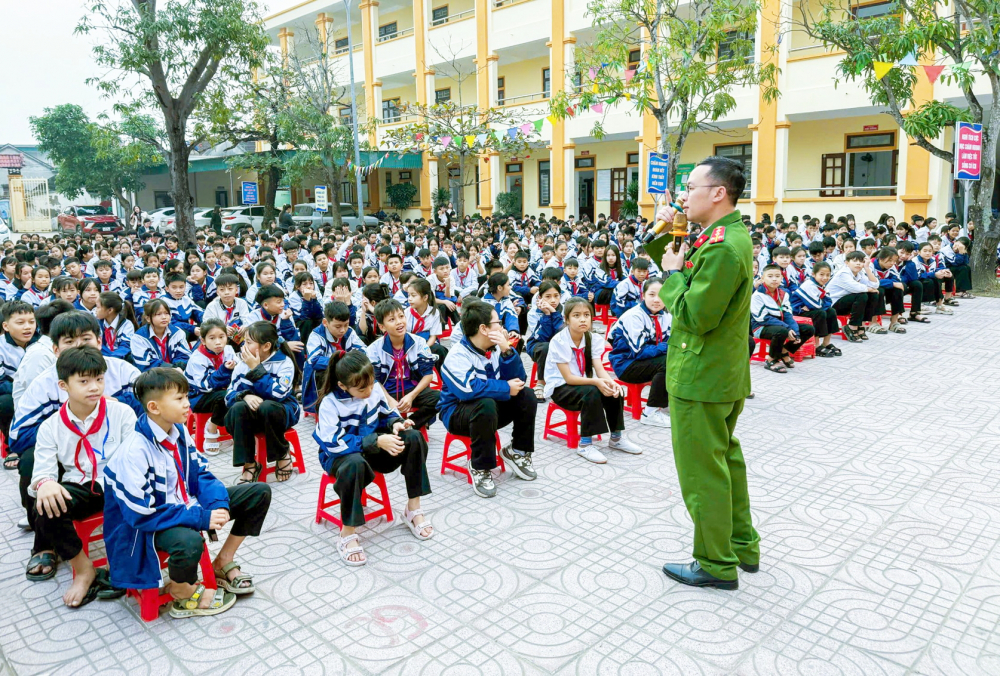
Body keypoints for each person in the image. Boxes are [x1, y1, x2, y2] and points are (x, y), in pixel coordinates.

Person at [656, 156, 759, 590]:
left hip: (701, 374)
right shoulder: (726, 234)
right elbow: (674, 260)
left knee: (703, 473)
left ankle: (716, 563)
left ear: (718, 192)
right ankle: (741, 543)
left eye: (691, 187)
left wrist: (673, 277)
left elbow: (696, 315)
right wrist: (668, 234)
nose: (684, 194)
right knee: (725, 460)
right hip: (720, 371)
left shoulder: (721, 247)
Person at [103, 368, 271, 618]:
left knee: (258, 493)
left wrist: (218, 504)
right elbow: (141, 514)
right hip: (146, 526)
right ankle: (181, 590)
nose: (187, 404)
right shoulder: (134, 452)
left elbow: (201, 473)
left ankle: (223, 560)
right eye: (179, 398)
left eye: (186, 396)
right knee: (190, 542)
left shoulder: (178, 431)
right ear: (154, 407)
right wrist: (200, 518)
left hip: (180, 507)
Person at [27, 347, 136, 605]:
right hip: (82, 485)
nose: (94, 387)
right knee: (44, 506)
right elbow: (43, 468)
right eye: (84, 381)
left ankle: (125, 561)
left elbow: (136, 458)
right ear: (64, 385)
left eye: (99, 379)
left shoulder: (121, 413)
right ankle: (84, 569)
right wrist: (45, 483)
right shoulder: (51, 426)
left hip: (120, 483)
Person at [314, 350, 433, 565]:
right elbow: (333, 443)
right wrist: (376, 441)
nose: (370, 391)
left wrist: (395, 424)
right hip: (340, 457)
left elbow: (387, 412)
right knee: (355, 463)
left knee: (414, 438)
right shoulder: (330, 404)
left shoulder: (374, 389)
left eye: (371, 384)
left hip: (370, 451)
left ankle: (412, 509)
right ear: (343, 386)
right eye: (362, 388)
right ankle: (347, 533)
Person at [438, 301, 538, 498]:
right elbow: (468, 390)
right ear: (483, 328)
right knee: (485, 403)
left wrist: (508, 351)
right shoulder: (457, 355)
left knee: (526, 395)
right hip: (457, 413)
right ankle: (480, 467)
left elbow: (518, 381)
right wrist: (505, 388)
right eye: (497, 322)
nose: (501, 327)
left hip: (488, 411)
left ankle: (517, 451)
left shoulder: (496, 347)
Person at [546, 297, 641, 463]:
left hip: (581, 384)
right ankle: (585, 444)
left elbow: (599, 369)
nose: (583, 319)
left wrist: (610, 383)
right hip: (561, 388)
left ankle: (616, 438)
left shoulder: (593, 339)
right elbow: (568, 378)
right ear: (566, 319)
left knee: (614, 390)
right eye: (576, 315)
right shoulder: (559, 341)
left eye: (586, 315)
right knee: (592, 391)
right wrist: (597, 382)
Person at [224, 321, 301, 484]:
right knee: (237, 408)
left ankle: (281, 453)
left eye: (249, 342)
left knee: (266, 406)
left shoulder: (284, 362)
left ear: (266, 346)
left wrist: (256, 369)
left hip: (280, 413)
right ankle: (250, 464)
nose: (244, 345)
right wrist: (244, 396)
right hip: (252, 417)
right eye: (244, 341)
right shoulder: (242, 362)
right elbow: (229, 395)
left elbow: (278, 394)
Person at [365, 299, 439, 432]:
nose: (399, 322)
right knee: (368, 405)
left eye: (401, 316)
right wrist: (389, 400)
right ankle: (391, 425)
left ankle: (411, 424)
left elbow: (428, 375)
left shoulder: (419, 342)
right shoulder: (374, 349)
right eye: (392, 319)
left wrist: (412, 396)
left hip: (411, 388)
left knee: (440, 398)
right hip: (387, 392)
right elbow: (374, 380)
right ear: (382, 327)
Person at [608, 278, 672, 427]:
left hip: (647, 361)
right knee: (667, 361)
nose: (657, 300)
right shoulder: (634, 316)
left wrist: (668, 347)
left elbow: (672, 341)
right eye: (652, 295)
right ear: (643, 295)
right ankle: (650, 412)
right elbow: (639, 352)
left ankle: (669, 402)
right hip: (626, 364)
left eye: (661, 295)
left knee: (678, 358)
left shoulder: (666, 316)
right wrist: (665, 347)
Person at [751, 264, 816, 373]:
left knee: (808, 329)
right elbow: (763, 318)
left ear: (781, 278)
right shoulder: (757, 295)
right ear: (762, 278)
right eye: (770, 276)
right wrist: (787, 328)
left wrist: (795, 332)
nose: (774, 279)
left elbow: (787, 315)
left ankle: (784, 351)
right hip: (760, 327)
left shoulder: (783, 294)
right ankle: (771, 359)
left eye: (777, 276)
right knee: (782, 331)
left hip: (780, 325)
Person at [303, 301, 366, 413]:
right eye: (338, 326)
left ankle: (353, 404)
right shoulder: (316, 336)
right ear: (325, 322)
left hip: (345, 370)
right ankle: (327, 409)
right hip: (324, 374)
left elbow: (363, 350)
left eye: (346, 325)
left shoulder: (349, 332)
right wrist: (342, 361)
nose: (342, 330)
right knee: (322, 372)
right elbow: (314, 360)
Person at [185, 318, 237, 455]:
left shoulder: (229, 350)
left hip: (221, 391)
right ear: (203, 340)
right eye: (212, 338)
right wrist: (225, 371)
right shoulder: (197, 359)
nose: (218, 342)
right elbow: (206, 386)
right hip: (198, 397)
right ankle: (211, 429)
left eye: (222, 337)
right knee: (226, 397)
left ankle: (235, 429)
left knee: (241, 393)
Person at [0, 301, 39, 440]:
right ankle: (12, 442)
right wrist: (23, 391)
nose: (27, 327)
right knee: (4, 403)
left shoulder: (42, 343)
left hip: (40, 389)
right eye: (20, 323)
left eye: (31, 322)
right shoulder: (1, 346)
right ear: (6, 326)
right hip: (11, 391)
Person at [789, 262, 842, 357]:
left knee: (831, 311)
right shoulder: (809, 285)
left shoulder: (822, 285)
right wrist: (821, 303)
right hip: (798, 312)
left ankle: (826, 343)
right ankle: (816, 346)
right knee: (820, 313)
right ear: (813, 274)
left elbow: (829, 301)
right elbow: (815, 305)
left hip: (809, 310)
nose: (825, 277)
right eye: (821, 274)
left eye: (827, 275)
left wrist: (820, 303)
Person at [827, 250, 880, 342]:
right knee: (862, 295)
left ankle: (861, 326)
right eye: (855, 261)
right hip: (833, 305)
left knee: (873, 294)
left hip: (847, 302)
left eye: (861, 261)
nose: (858, 264)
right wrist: (869, 289)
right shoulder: (843, 273)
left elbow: (875, 285)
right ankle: (852, 327)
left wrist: (867, 268)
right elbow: (855, 287)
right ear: (847, 263)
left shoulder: (859, 274)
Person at [525, 281, 564, 402]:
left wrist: (554, 313)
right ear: (540, 297)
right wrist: (547, 315)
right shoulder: (533, 313)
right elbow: (543, 337)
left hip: (557, 343)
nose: (553, 300)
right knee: (547, 347)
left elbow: (561, 335)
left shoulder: (563, 310)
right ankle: (540, 383)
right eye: (548, 296)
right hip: (538, 344)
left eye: (556, 296)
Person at [132, 299, 193, 371]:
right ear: (148, 318)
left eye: (167, 313)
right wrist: (171, 369)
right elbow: (144, 363)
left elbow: (184, 356)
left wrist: (178, 367)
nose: (164, 317)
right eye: (159, 314)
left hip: (176, 374)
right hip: (151, 377)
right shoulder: (139, 338)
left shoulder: (178, 333)